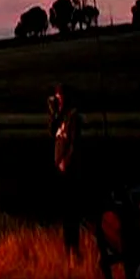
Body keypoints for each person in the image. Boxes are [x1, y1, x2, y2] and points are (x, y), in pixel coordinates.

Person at [48, 82, 84, 254]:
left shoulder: (73, 116)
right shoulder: (60, 116)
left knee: (71, 212)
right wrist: (54, 113)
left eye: (59, 96)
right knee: (65, 211)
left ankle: (74, 248)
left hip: (70, 170)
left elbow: (75, 143)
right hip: (61, 169)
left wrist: (66, 160)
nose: (58, 99)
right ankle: (67, 248)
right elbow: (51, 132)